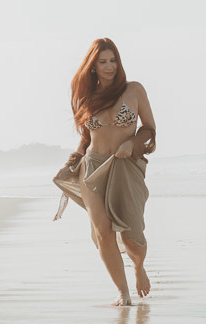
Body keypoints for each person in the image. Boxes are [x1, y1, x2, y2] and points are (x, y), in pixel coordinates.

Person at [53, 38, 157, 307]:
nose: (109, 66)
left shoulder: (134, 90)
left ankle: (138, 266)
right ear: (93, 66)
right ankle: (123, 292)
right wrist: (72, 161)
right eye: (103, 62)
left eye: (113, 60)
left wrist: (131, 143)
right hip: (93, 167)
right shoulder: (87, 98)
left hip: (125, 166)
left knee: (132, 236)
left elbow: (149, 129)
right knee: (102, 230)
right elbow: (87, 140)